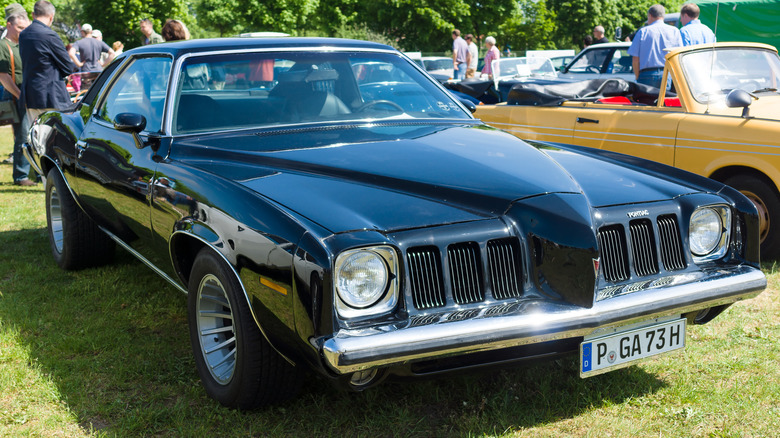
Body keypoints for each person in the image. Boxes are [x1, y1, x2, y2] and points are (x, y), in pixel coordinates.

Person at [19, 1, 73, 126]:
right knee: (57, 139)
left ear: (33, 14)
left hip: (31, 95)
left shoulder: (23, 35)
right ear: (51, 17)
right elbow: (67, 67)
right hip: (52, 96)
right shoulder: (49, 34)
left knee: (36, 138)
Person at [0, 3, 33, 186]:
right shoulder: (3, 46)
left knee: (31, 134)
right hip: (16, 96)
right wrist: (20, 95)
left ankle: (32, 172)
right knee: (22, 135)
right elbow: (3, 77)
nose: (23, 31)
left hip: (27, 95)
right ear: (9, 25)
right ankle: (21, 176)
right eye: (20, 28)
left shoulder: (24, 44)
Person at [627, 4, 682, 88]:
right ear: (663, 16)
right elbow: (678, 56)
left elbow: (635, 59)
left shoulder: (643, 32)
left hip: (646, 74)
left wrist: (637, 77)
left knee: (645, 100)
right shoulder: (674, 31)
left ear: (650, 15)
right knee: (663, 100)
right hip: (666, 73)